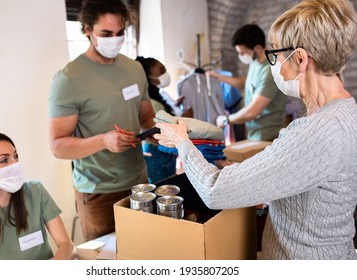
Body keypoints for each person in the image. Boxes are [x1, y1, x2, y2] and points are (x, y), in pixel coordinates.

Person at [154, 0, 357, 260]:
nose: (274, 64)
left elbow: (215, 192)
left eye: (276, 55)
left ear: (301, 58)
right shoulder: (346, 109)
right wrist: (236, 169)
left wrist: (182, 142)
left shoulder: (317, 131)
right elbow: (306, 178)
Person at [48, 0, 155, 241]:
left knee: (144, 253)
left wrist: (165, 132)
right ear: (87, 29)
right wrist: (104, 141)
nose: (114, 41)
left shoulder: (134, 69)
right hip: (98, 193)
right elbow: (58, 146)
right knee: (105, 262)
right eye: (106, 34)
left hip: (140, 184)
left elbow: (146, 117)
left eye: (120, 33)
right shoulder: (68, 79)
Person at [0, 131, 75, 260]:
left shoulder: (36, 192)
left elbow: (66, 244)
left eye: (16, 156)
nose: (15, 164)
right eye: (4, 160)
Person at [209, 24, 287, 141]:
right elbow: (246, 83)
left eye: (243, 53)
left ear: (257, 48)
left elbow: (252, 112)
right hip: (253, 132)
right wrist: (220, 78)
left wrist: (226, 120)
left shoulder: (270, 70)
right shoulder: (255, 62)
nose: (241, 56)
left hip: (267, 135)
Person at [135, 56, 178, 183]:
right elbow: (155, 126)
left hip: (162, 147)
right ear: (148, 75)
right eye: (161, 70)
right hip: (156, 149)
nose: (165, 74)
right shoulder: (149, 102)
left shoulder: (157, 96)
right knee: (161, 189)